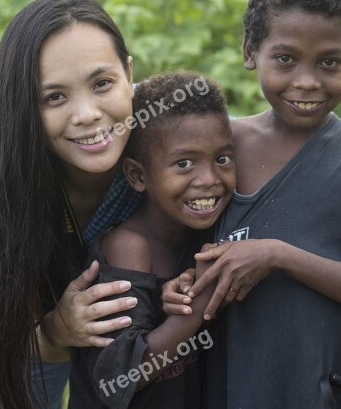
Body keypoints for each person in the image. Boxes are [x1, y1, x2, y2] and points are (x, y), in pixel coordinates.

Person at [0, 0, 341, 408]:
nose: (88, 114)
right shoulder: (4, 193)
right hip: (31, 345)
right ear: (25, 106)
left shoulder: (157, 142)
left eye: (102, 83)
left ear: (128, 72)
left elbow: (231, 142)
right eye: (54, 96)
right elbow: (17, 330)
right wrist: (58, 328)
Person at [170, 0, 341, 407]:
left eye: (329, 62)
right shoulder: (221, 148)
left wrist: (277, 256)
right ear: (249, 51)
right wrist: (178, 286)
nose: (306, 81)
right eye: (285, 58)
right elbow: (186, 252)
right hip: (225, 391)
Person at [69, 71, 232, 408]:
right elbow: (120, 377)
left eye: (222, 159)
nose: (210, 179)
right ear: (138, 176)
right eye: (184, 163)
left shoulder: (205, 234)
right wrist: (201, 302)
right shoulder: (128, 247)